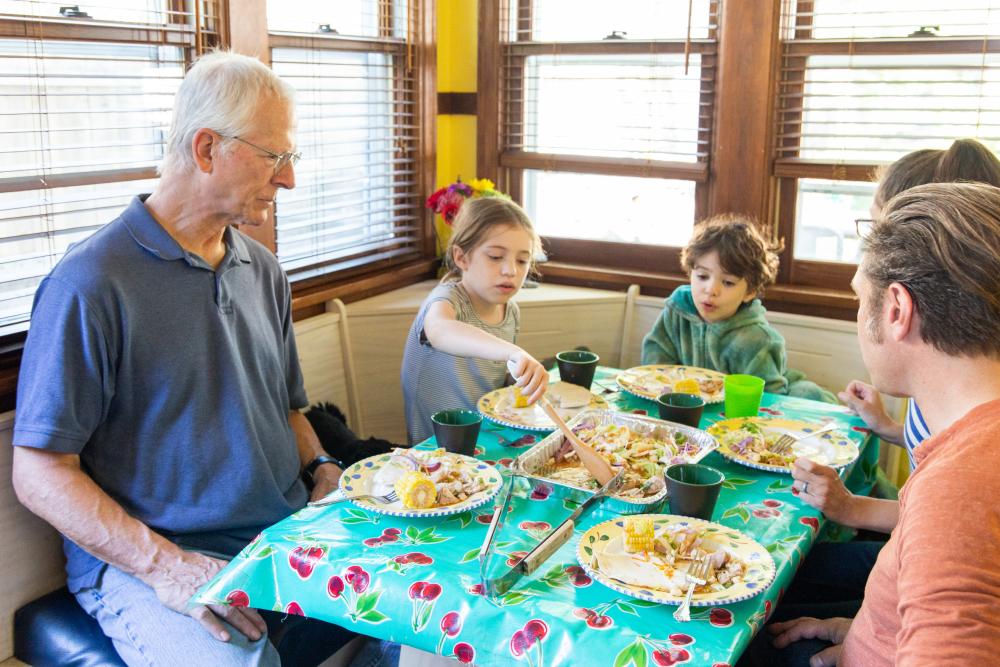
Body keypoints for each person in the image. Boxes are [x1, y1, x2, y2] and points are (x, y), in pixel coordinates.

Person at [11, 51, 364, 666]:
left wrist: (325, 467)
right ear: (206, 150)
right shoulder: (90, 283)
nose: (289, 180)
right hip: (153, 555)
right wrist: (166, 567)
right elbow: (39, 473)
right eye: (275, 158)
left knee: (436, 612)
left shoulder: (264, 270)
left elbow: (285, 409)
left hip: (278, 530)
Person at [753, 182, 1000, 666]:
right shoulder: (967, 443)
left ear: (896, 310)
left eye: (857, 301)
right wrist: (871, 634)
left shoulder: (959, 485)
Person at [791, 139, 1000, 541]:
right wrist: (888, 426)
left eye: (880, 229)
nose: (871, 249)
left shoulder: (966, 474)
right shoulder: (958, 397)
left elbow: (945, 518)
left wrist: (852, 508)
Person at [401, 196, 548, 443]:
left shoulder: (510, 311)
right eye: (495, 256)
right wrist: (514, 352)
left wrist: (523, 378)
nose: (510, 270)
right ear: (462, 258)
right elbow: (440, 330)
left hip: (486, 437)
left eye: (522, 260)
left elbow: (498, 381)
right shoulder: (446, 299)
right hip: (436, 450)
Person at [641, 214, 834, 401]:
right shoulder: (677, 310)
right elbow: (655, 358)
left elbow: (767, 397)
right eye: (702, 276)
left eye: (728, 282)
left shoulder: (756, 338)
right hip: (690, 402)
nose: (711, 290)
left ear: (750, 291)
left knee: (808, 394)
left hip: (761, 399)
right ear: (691, 273)